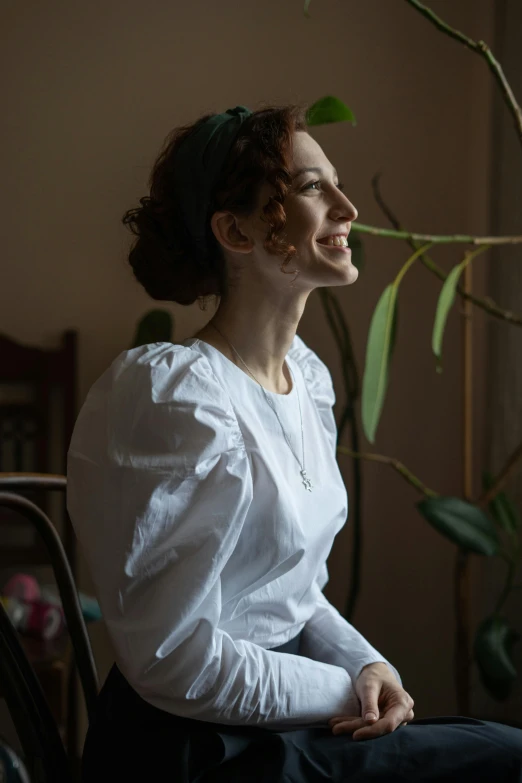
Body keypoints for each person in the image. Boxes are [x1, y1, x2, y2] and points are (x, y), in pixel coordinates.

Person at [67, 104, 522, 782]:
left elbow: (293, 596)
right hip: (192, 750)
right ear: (236, 231)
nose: (347, 206)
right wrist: (341, 688)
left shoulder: (304, 381)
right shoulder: (176, 397)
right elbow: (172, 659)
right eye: (313, 187)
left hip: (273, 720)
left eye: (336, 183)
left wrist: (368, 662)